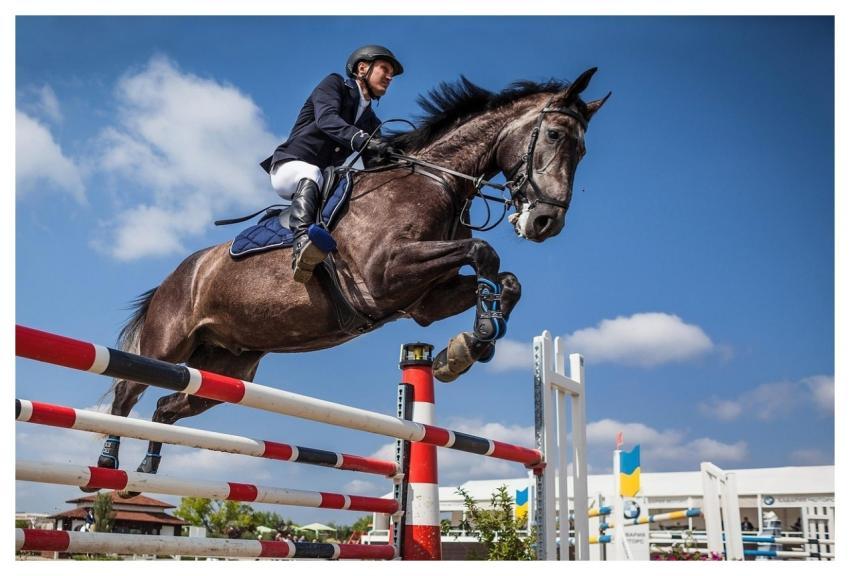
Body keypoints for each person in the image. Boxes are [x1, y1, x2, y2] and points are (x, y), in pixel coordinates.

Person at [260, 45, 404, 283]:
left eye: (392, 74)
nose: (390, 77)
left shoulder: (372, 121)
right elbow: (327, 119)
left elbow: (375, 167)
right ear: (362, 68)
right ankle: (302, 242)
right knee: (312, 172)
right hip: (290, 167)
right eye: (385, 69)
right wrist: (362, 140)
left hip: (323, 181)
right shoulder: (334, 84)